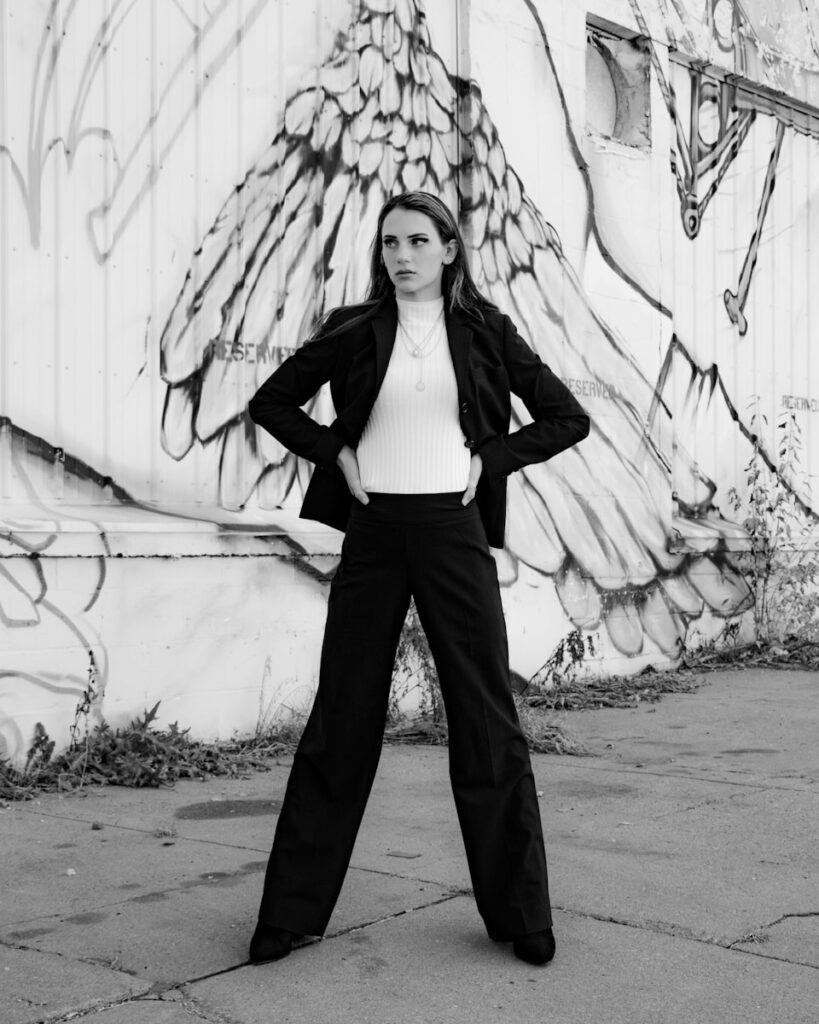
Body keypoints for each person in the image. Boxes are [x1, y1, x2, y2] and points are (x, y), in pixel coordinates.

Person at [246, 190, 589, 966]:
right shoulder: (355, 330)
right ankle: (290, 913)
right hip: (373, 537)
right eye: (388, 243)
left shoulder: (485, 331)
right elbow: (271, 402)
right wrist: (335, 452)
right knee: (342, 718)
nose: (399, 255)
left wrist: (488, 460)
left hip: (451, 533)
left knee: (485, 719)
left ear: (447, 249)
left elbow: (565, 416)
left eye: (415, 241)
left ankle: (521, 915)